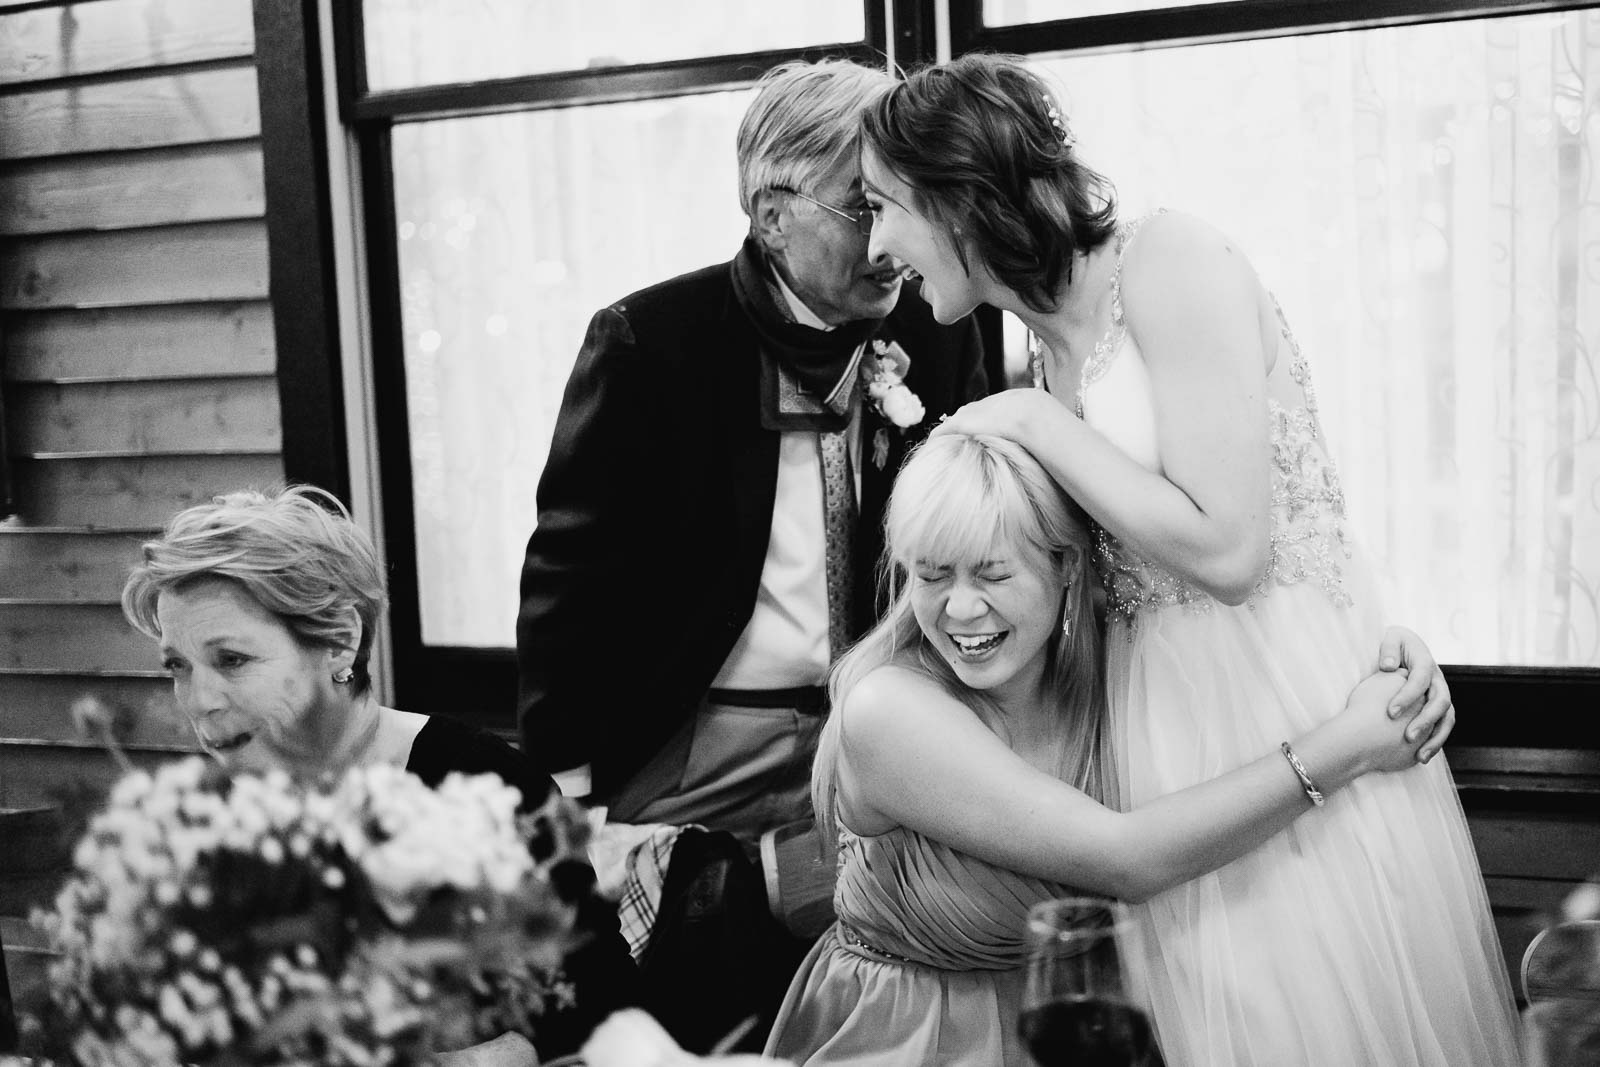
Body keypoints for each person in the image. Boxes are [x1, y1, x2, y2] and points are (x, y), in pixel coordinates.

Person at [860, 54, 1520, 1066]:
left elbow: (1234, 548)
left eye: (882, 205)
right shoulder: (1039, 344)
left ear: (955, 194)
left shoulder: (1167, 260)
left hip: (1284, 702)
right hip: (1159, 736)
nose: (875, 243)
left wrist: (1039, 421)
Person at [764, 431, 1449, 1066]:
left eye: (991, 574)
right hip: (912, 1036)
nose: (959, 609)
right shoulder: (887, 711)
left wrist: (1387, 666)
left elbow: (1253, 648)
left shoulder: (1114, 662)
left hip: (1070, 1029)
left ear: (1064, 565)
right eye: (932, 574)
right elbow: (1128, 859)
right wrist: (1351, 745)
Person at [515, 57, 988, 846]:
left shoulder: (937, 328)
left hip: (884, 723)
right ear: (773, 216)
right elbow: (571, 576)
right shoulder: (651, 343)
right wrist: (565, 788)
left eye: (905, 205)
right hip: (698, 737)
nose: (892, 243)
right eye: (862, 207)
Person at [119, 485, 636, 1064]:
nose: (197, 700)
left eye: (232, 660)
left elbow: (601, 1002)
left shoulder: (476, 787)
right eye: (178, 667)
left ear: (341, 641)